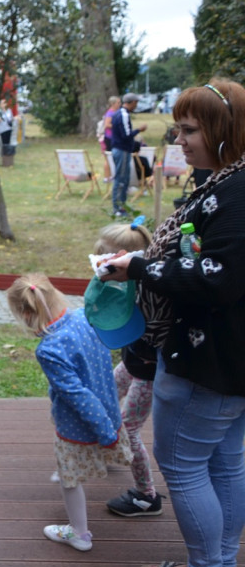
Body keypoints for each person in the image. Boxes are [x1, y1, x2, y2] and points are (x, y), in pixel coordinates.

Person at [100, 79, 245, 567]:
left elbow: (219, 279)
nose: (178, 140)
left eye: (189, 130)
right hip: (229, 362)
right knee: (226, 463)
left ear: (226, 129)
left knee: (182, 467)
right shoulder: (226, 183)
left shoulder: (234, 193)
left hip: (208, 363)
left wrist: (138, 268)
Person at [5, 274, 131, 553]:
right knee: (72, 468)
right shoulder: (84, 318)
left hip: (80, 426)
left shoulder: (49, 349)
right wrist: (109, 426)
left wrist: (105, 433)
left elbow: (78, 396)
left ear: (27, 314)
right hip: (108, 409)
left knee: (69, 479)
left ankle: (79, 533)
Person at [91, 218, 165, 518]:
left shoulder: (152, 290)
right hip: (132, 361)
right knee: (105, 392)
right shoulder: (129, 282)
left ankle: (146, 495)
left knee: (129, 428)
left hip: (148, 372)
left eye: (105, 258)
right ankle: (108, 445)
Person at [110, 93, 148, 218]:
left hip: (119, 149)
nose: (136, 105)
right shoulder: (124, 114)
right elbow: (126, 135)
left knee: (123, 179)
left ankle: (122, 206)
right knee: (121, 179)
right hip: (121, 150)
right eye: (136, 103)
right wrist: (139, 130)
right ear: (131, 102)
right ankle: (118, 208)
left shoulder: (118, 113)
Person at [98, 95, 121, 181]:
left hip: (114, 138)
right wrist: (117, 126)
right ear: (113, 103)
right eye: (118, 103)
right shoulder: (110, 113)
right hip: (109, 138)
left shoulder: (116, 112)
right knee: (109, 157)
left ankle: (111, 176)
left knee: (113, 157)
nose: (120, 104)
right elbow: (107, 125)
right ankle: (107, 177)